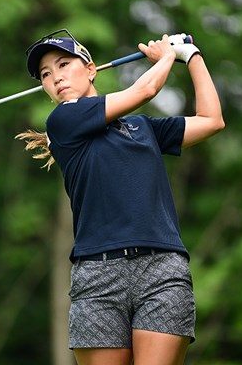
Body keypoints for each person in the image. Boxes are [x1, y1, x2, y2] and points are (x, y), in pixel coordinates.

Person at [17, 29, 224, 365]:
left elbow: (211, 120)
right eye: (46, 74)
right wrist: (168, 54)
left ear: (91, 69)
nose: (55, 77)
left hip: (162, 271)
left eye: (64, 64)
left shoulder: (142, 127)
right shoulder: (63, 121)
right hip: (98, 278)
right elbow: (146, 88)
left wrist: (193, 56)